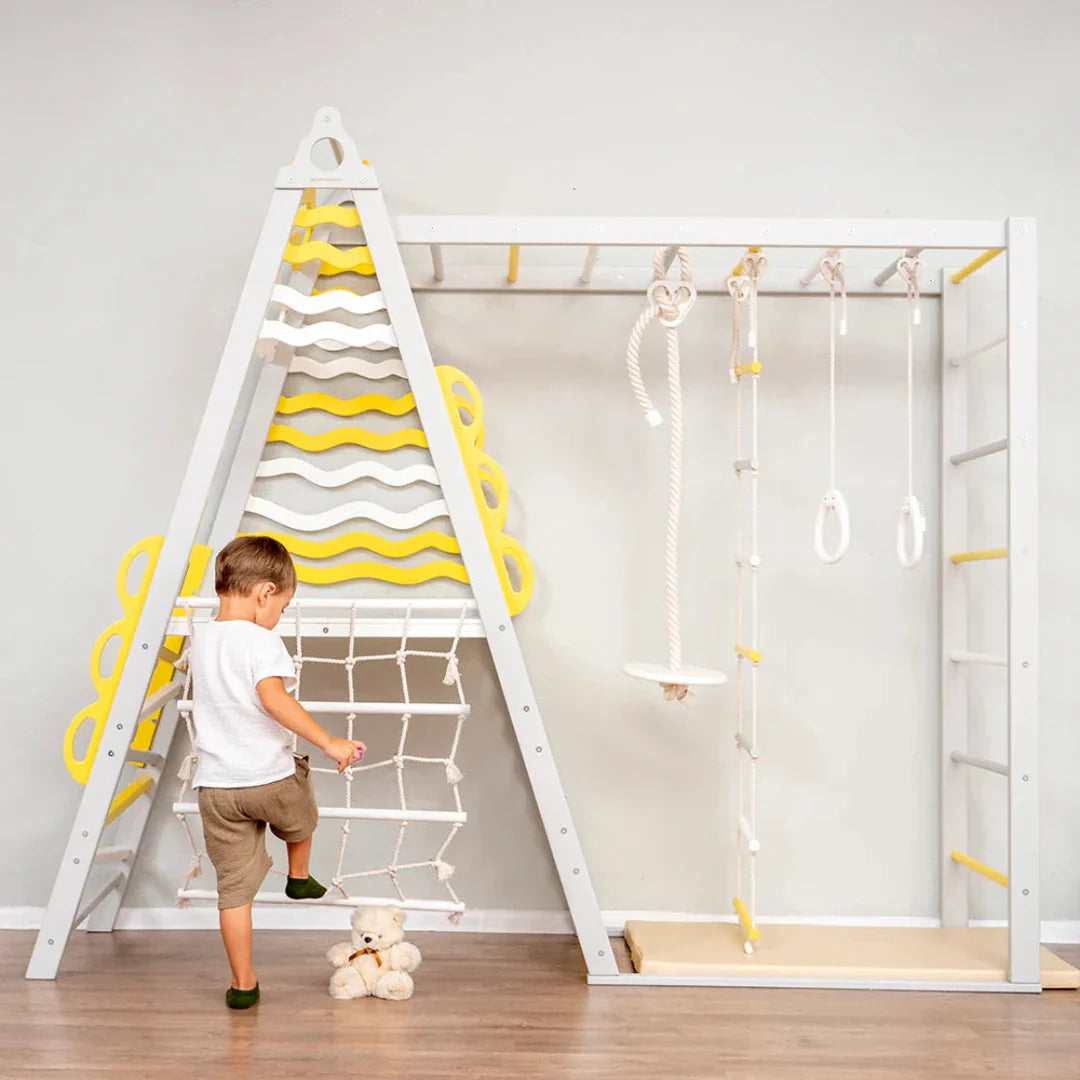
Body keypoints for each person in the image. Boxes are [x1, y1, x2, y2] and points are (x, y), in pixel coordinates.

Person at [189, 535, 364, 1009]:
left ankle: (243, 984)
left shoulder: (201, 638)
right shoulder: (261, 640)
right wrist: (329, 741)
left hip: (216, 789)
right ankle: (298, 874)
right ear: (265, 593)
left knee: (233, 893)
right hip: (269, 778)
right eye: (282, 607)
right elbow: (274, 699)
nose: (279, 617)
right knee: (301, 802)